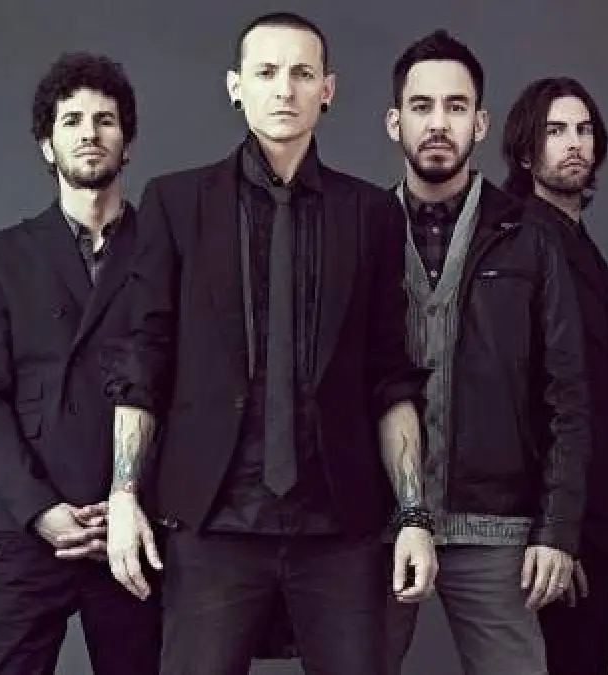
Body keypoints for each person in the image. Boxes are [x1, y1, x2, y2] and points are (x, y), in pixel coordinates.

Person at [100, 12, 437, 675]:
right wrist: (122, 495)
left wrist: (414, 514)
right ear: (236, 86)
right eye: (266, 72)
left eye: (302, 73)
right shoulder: (176, 203)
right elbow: (145, 355)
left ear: (327, 90)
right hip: (213, 523)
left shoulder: (370, 213)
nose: (284, 88)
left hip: (338, 526)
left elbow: (390, 374)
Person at [382, 30, 591, 675]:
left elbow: (567, 392)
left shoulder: (530, 234)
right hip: (376, 524)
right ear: (394, 122)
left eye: (455, 106)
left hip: (497, 525)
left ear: (480, 122)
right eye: (421, 106)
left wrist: (557, 529)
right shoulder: (359, 227)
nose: (437, 123)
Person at [0, 52, 162, 674]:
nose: (89, 133)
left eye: (105, 120)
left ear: (127, 143)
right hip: (32, 523)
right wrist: (38, 510)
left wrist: (131, 500)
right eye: (71, 120)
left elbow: (183, 386)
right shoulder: (4, 256)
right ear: (47, 146)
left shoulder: (164, 248)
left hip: (134, 524)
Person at [502, 76, 608, 675]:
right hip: (561, 536)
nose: (574, 143)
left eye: (584, 130)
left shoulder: (576, 240)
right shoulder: (522, 239)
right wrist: (556, 533)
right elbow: (520, 399)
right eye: (555, 130)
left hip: (601, 526)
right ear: (524, 151)